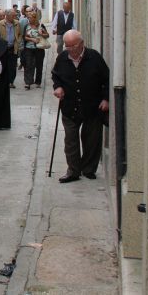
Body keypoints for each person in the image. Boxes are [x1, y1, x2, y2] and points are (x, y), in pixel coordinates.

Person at [51, 30, 109, 183]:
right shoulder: (63, 57)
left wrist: (106, 99)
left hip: (92, 106)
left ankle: (89, 169)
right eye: (67, 46)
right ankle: (73, 171)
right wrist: (57, 87)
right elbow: (55, 75)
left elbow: (107, 79)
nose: (70, 49)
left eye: (73, 46)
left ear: (82, 43)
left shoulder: (94, 57)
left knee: (92, 140)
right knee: (71, 140)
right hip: (69, 106)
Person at [22, 10, 49, 89]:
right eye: (28, 18)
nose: (29, 19)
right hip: (29, 48)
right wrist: (32, 40)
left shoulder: (41, 26)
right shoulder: (27, 26)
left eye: (30, 18)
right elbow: (24, 37)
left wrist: (42, 34)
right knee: (28, 65)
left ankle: (38, 81)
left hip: (39, 48)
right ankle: (28, 82)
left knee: (39, 65)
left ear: (35, 18)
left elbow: (47, 35)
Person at [0, 9, 23, 88]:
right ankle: (4, 81)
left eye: (15, 15)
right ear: (7, 16)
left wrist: (18, 41)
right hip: (3, 48)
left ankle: (11, 81)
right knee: (3, 65)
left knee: (12, 66)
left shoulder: (17, 23)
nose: (15, 17)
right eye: (13, 15)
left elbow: (20, 34)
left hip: (13, 47)